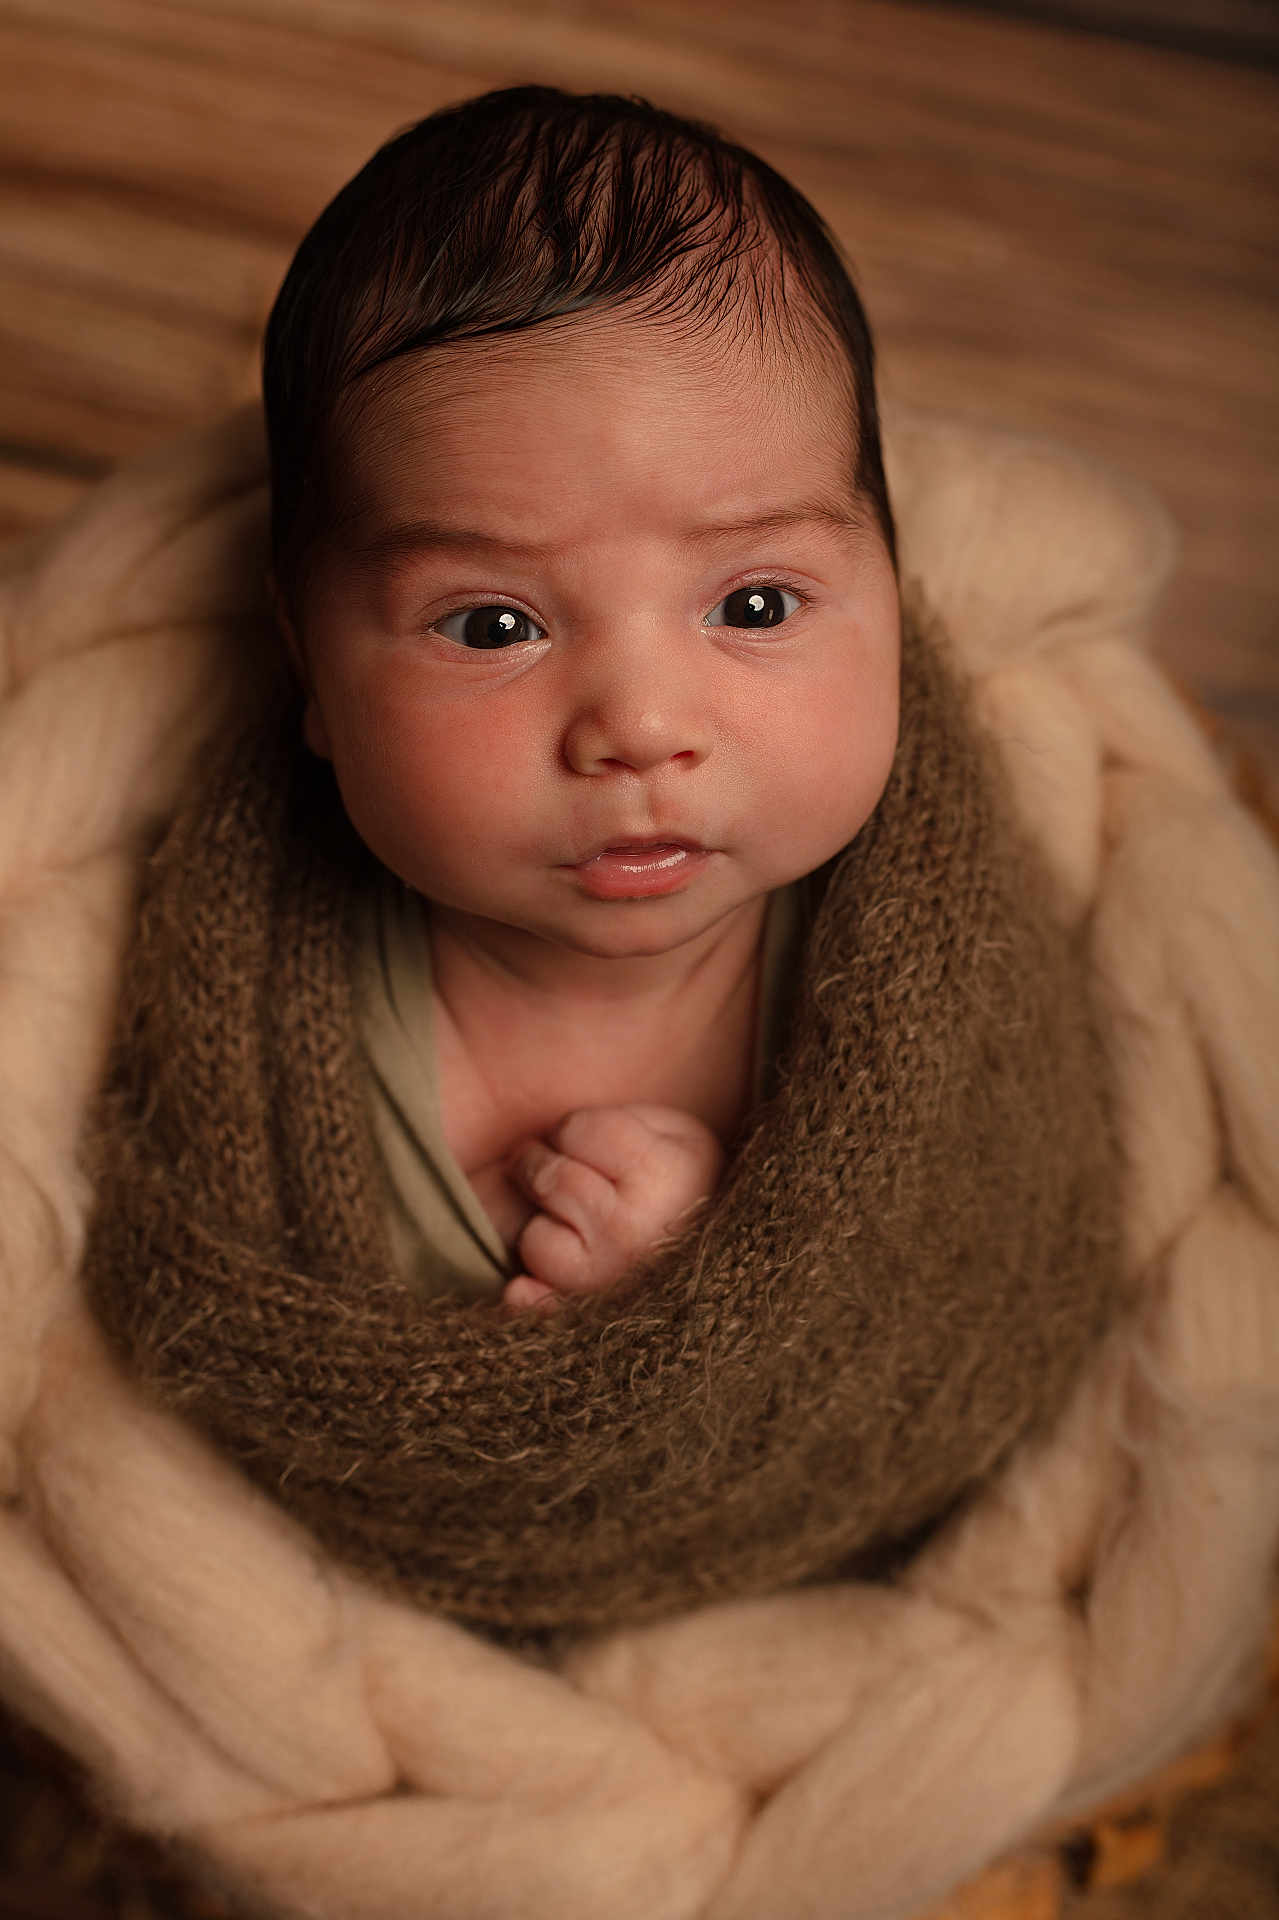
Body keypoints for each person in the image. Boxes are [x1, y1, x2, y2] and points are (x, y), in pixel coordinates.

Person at [262, 82, 902, 1316]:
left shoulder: (911, 981)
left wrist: (710, 1295)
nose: (642, 729)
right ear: (309, 671)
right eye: (494, 626)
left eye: (755, 607)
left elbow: (989, 1287)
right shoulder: (256, 1035)